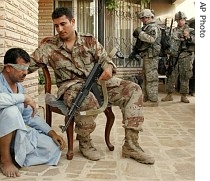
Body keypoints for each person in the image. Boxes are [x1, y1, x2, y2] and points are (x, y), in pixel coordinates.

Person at [28, 7, 155, 165]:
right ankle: (85, 141)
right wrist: (10, 68)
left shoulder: (89, 40)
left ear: (73, 21)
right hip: (70, 87)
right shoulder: (49, 46)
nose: (60, 29)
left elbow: (105, 59)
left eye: (63, 24)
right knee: (86, 99)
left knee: (133, 90)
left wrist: (108, 68)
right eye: (56, 26)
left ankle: (131, 145)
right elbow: (28, 64)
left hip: (97, 82)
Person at [0, 48, 66, 178]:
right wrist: (23, 98)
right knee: (11, 112)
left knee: (52, 148)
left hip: (14, 134)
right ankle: (5, 161)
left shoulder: (19, 87)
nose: (25, 73)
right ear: (8, 68)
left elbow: (30, 117)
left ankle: (12, 153)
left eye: (27, 68)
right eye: (21, 68)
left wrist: (51, 132)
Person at [161, 11, 195, 103]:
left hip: (185, 56)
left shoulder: (191, 30)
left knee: (185, 76)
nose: (180, 21)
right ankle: (169, 94)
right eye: (178, 20)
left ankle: (184, 95)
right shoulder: (173, 31)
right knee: (171, 75)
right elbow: (169, 43)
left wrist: (189, 37)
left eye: (182, 20)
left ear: (185, 20)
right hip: (174, 56)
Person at [133, 9, 161, 107]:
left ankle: (153, 100)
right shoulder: (147, 27)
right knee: (146, 77)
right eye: (142, 18)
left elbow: (151, 39)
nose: (143, 20)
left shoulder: (153, 27)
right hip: (147, 56)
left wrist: (140, 33)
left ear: (149, 17)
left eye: (144, 18)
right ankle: (147, 98)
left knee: (151, 78)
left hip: (151, 56)